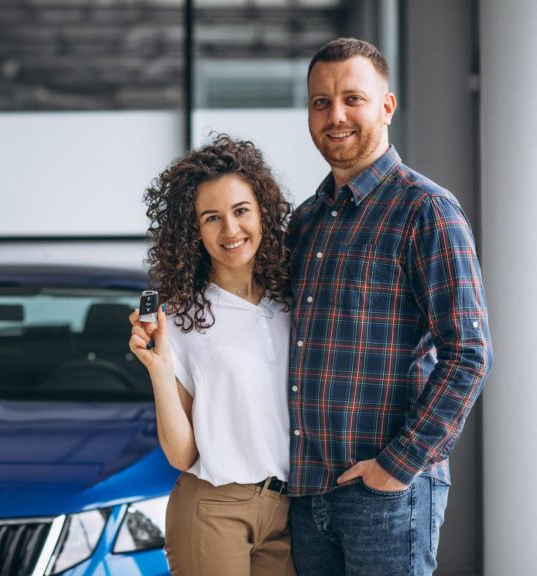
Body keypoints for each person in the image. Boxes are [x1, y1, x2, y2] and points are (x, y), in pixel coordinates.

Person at [286, 37, 493, 575]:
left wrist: (394, 469)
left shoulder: (426, 210)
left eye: (352, 98)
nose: (335, 115)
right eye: (320, 102)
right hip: (308, 494)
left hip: (386, 497)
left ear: (386, 106)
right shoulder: (306, 221)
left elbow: (468, 354)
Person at [129, 134, 296, 576]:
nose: (231, 230)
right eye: (211, 218)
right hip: (212, 507)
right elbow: (182, 455)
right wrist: (160, 369)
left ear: (262, 211)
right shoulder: (180, 318)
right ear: (193, 230)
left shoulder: (294, 303)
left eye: (241, 211)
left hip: (290, 510)